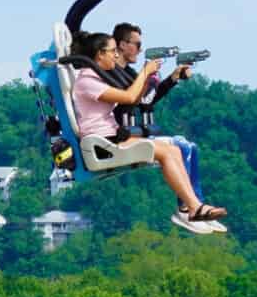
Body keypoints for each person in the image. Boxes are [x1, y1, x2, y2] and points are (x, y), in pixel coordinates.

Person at [68, 30, 226, 234]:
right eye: (113, 51)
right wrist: (145, 72)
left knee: (174, 150)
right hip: (103, 144)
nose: (116, 55)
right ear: (99, 54)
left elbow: (137, 98)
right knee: (168, 151)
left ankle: (191, 208)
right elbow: (128, 96)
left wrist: (156, 79)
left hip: (110, 138)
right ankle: (192, 208)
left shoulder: (98, 78)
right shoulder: (87, 82)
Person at [103, 22, 203, 199]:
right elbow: (131, 100)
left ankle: (195, 204)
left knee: (192, 148)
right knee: (183, 146)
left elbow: (146, 102)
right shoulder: (110, 73)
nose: (140, 50)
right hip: (120, 136)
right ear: (122, 44)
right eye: (137, 45)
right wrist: (146, 77)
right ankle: (188, 206)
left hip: (132, 132)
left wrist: (173, 78)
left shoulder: (129, 73)